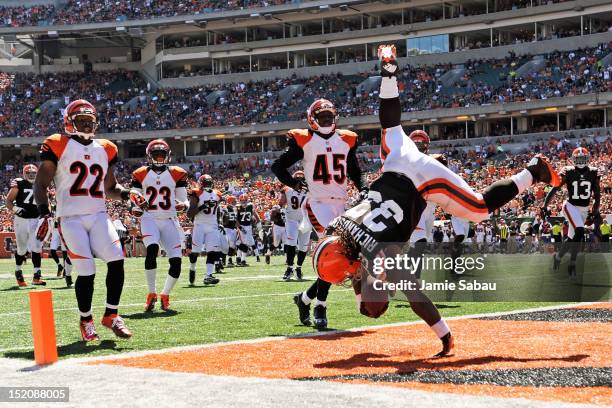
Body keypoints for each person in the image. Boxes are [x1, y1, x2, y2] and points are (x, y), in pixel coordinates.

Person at [312, 45, 561, 356]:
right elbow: (342, 246)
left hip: (422, 181)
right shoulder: (338, 225)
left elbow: (385, 305)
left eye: (345, 273)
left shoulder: (376, 255)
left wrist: (443, 334)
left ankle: (533, 171)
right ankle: (388, 72)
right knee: (390, 126)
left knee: (480, 209)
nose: (348, 277)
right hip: (395, 161)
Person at [34, 99, 134, 341]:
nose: (87, 125)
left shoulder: (106, 148)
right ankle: (86, 319)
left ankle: (111, 315)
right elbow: (41, 182)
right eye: (81, 120)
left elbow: (110, 187)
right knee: (86, 270)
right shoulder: (57, 143)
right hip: (70, 218)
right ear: (69, 122)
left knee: (117, 261)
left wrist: (128, 195)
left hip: (98, 215)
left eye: (90, 121)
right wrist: (43, 210)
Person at [272, 98, 367, 329]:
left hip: (342, 205)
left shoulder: (346, 139)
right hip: (317, 204)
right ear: (312, 119)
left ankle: (304, 299)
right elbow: (278, 166)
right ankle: (320, 307)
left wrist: (363, 187)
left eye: (329, 116)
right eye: (322, 116)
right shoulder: (304, 139)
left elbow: (354, 170)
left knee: (346, 258)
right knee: (333, 252)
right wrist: (294, 185)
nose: (326, 120)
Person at [130, 139, 189, 311]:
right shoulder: (140, 173)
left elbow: (183, 198)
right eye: (156, 154)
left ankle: (165, 294)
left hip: (170, 219)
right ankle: (151, 293)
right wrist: (134, 204)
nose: (160, 158)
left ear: (168, 155)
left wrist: (184, 205)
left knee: (176, 261)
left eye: (162, 154)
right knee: (152, 250)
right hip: (150, 218)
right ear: (149, 156)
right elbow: (134, 195)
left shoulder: (177, 173)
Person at [543, 147, 601, 278]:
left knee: (572, 238)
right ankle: (572, 264)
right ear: (574, 160)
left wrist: (594, 211)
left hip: (584, 209)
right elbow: (555, 188)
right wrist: (545, 205)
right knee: (580, 231)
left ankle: (558, 257)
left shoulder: (593, 172)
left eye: (583, 158)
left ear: (587, 159)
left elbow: (597, 195)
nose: (581, 161)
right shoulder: (568, 171)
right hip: (570, 206)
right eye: (578, 158)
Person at [6, 164, 46, 287]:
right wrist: (16, 209)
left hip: (35, 219)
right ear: (24, 174)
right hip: (21, 219)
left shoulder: (41, 184)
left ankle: (36, 276)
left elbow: (45, 201)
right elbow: (8, 201)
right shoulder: (19, 183)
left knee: (36, 248)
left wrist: (46, 215)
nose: (31, 175)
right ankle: (18, 271)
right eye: (29, 173)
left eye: (34, 173)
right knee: (22, 249)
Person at [187, 174, 221, 285]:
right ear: (201, 183)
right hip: (200, 225)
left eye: (209, 182)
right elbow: (189, 214)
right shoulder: (196, 193)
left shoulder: (217, 194)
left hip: (213, 226)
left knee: (212, 251)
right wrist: (203, 206)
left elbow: (217, 210)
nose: (208, 185)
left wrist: (218, 222)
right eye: (205, 182)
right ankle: (192, 268)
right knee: (196, 251)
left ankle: (208, 275)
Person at [278, 170, 311, 280]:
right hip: (298, 220)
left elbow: (281, 203)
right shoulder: (309, 189)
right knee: (299, 245)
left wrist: (282, 210)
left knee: (298, 245)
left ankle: (294, 269)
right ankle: (293, 268)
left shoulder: (287, 188)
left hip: (299, 220)